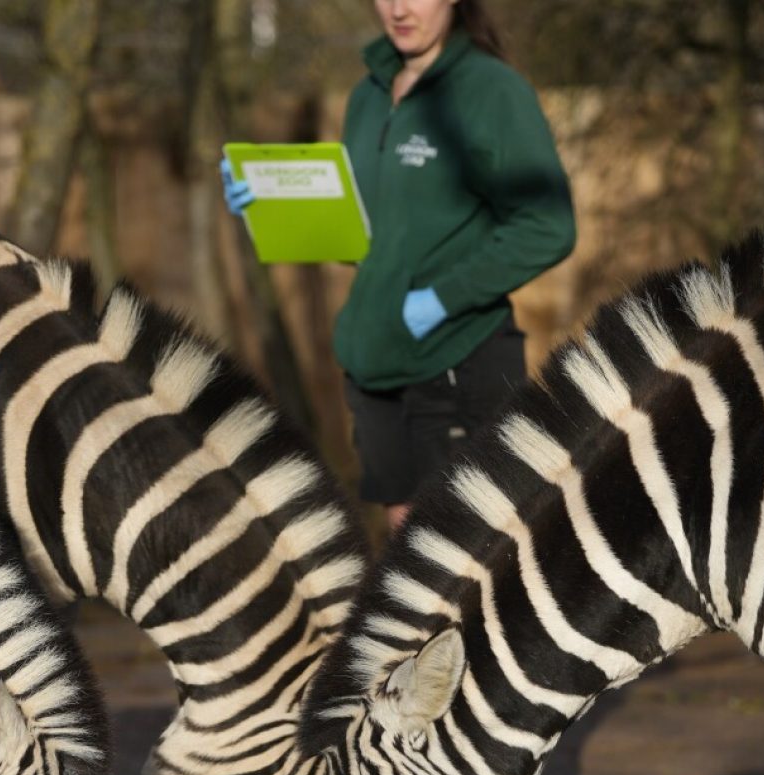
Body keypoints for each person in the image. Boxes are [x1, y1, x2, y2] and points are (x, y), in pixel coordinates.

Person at [222, 0, 576, 532]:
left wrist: (444, 298)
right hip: (377, 364)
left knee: (468, 546)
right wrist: (269, 201)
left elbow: (548, 226)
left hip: (457, 354)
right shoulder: (368, 96)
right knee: (405, 545)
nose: (398, 8)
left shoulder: (492, 92)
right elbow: (367, 236)